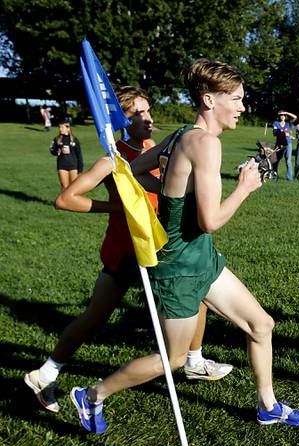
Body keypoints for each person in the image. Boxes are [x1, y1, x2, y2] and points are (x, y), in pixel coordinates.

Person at [69, 59, 299, 434]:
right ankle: (92, 395)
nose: (243, 107)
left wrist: (171, 193)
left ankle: (269, 407)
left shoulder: (181, 135)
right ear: (209, 100)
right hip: (179, 269)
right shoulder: (205, 144)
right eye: (237, 99)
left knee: (261, 324)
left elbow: (133, 172)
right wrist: (245, 188)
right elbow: (210, 220)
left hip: (202, 259)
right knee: (173, 358)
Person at [24, 87, 232, 414]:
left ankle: (193, 359)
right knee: (96, 317)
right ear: (121, 120)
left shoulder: (153, 148)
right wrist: (118, 208)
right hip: (128, 250)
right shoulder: (113, 157)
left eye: (148, 111)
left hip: (157, 245)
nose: (148, 119)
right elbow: (66, 199)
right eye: (138, 114)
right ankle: (48, 373)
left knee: (198, 290)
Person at [50, 117, 83, 190]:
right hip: (62, 166)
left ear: (68, 128)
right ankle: (63, 201)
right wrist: (59, 151)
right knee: (65, 187)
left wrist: (80, 169)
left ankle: (72, 202)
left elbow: (79, 155)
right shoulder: (57, 139)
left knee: (73, 188)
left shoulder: (74, 140)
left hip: (73, 166)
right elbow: (52, 150)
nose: (60, 129)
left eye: (62, 127)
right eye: (60, 127)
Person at [272, 110, 296, 180]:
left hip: (288, 143)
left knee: (288, 161)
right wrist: (281, 133)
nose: (282, 117)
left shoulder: (288, 123)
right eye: (281, 115)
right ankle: (274, 176)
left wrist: (287, 113)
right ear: (279, 117)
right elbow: (274, 134)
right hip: (279, 144)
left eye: (284, 115)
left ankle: (289, 178)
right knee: (275, 160)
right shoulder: (276, 123)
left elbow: (295, 117)